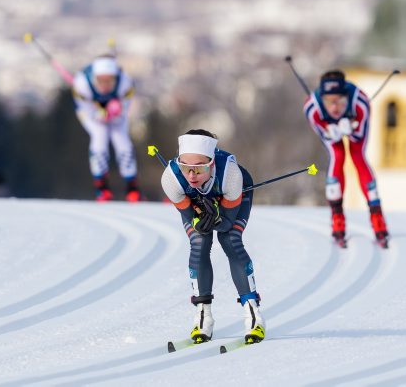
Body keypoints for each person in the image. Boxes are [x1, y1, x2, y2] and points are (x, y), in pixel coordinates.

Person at [160, 129, 265, 345]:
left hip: (235, 193)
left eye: (198, 169)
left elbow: (226, 222)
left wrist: (216, 213)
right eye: (186, 168)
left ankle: (254, 316)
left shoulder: (231, 175)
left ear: (212, 164)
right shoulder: (171, 179)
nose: (191, 175)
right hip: (199, 203)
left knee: (230, 240)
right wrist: (199, 217)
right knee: (199, 242)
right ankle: (203, 317)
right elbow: (191, 216)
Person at [304, 70, 390, 248]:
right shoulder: (312, 108)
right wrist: (330, 130)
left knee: (357, 156)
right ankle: (337, 218)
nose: (335, 108)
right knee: (338, 155)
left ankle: (377, 218)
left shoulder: (360, 103)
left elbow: (359, 138)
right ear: (322, 99)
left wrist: (350, 128)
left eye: (340, 102)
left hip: (355, 123)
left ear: (346, 98)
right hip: (330, 128)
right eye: (329, 102)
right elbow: (324, 134)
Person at [72, 55, 141, 202]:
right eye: (101, 80)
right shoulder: (82, 83)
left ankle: (132, 187)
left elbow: (125, 106)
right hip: (90, 113)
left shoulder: (125, 82)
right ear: (94, 77)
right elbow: (84, 108)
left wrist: (115, 112)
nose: (105, 85)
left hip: (117, 114)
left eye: (109, 80)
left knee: (122, 140)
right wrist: (98, 113)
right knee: (100, 136)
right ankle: (101, 187)